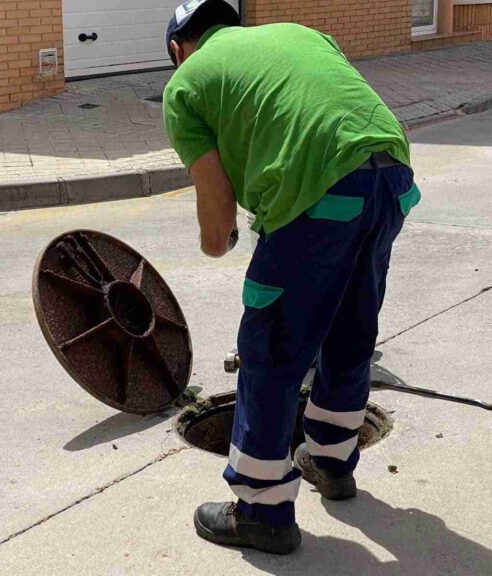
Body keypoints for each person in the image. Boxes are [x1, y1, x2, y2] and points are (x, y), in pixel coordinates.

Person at [163, 0, 420, 555]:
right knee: (350, 329)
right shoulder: (297, 34)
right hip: (391, 177)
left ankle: (261, 511)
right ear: (230, 26)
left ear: (177, 49)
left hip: (320, 192)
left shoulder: (185, 85)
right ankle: (331, 461)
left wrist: (224, 239)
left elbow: (216, 224)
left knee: (272, 349)